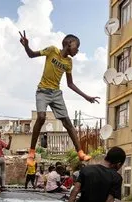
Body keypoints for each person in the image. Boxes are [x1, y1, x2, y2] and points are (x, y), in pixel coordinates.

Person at [19, 31, 99, 167]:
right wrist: (26, 45)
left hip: (56, 93)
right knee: (41, 117)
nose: (78, 50)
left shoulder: (69, 62)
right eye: (76, 46)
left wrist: (86, 97)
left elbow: (70, 84)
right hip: (43, 91)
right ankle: (31, 152)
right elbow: (31, 55)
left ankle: (80, 153)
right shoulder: (52, 50)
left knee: (67, 122)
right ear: (68, 44)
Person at [59, 147, 124, 202]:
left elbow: (75, 191)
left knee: (83, 195)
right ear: (118, 164)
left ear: (106, 157)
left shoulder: (86, 170)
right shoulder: (117, 177)